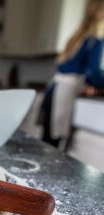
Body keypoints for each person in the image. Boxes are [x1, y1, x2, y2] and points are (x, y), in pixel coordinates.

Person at [40, 0, 104, 149]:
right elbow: (93, 72)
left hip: (53, 91)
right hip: (63, 94)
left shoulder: (77, 37)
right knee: (53, 147)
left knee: (47, 144)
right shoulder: (95, 39)